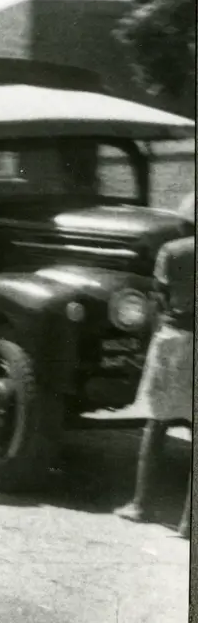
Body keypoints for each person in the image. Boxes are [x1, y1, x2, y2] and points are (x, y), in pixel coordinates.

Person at [116, 192, 194, 538]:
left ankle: (141, 504)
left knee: (156, 425)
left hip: (175, 339)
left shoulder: (173, 252)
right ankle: (189, 523)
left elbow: (159, 300)